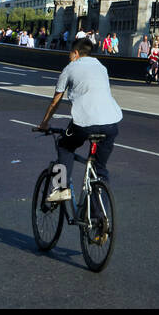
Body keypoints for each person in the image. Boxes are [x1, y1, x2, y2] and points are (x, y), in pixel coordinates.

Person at [36, 35, 122, 203]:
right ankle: (101, 221)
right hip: (111, 122)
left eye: (70, 53)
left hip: (85, 122)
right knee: (100, 169)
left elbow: (56, 100)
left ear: (75, 53)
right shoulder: (101, 67)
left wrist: (44, 123)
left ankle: (61, 188)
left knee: (64, 145)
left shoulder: (70, 67)